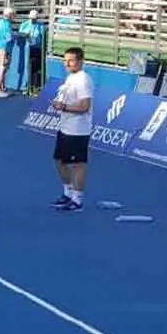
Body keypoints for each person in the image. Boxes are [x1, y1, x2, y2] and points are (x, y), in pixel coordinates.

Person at [49, 47, 95, 211]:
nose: (67, 63)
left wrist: (64, 107)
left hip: (78, 129)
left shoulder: (84, 80)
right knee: (59, 161)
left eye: (71, 60)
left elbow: (84, 106)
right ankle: (68, 193)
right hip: (65, 127)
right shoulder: (70, 78)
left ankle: (77, 200)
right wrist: (59, 103)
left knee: (77, 165)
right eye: (65, 60)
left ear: (80, 61)